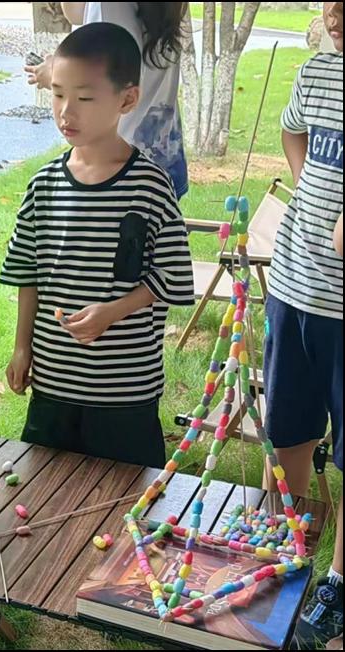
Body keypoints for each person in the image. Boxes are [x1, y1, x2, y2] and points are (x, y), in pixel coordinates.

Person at [0, 23, 193, 468]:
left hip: (125, 390)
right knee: (45, 484)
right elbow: (27, 272)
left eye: (84, 98)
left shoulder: (149, 186)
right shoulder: (43, 185)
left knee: (123, 493)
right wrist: (22, 347)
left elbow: (174, 276)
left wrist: (113, 311)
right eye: (57, 94)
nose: (66, 112)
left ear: (127, 99)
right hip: (54, 382)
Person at [266, 3, 343, 648]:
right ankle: (285, 556)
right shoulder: (318, 71)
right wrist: (304, 181)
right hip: (294, 285)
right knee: (288, 431)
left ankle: (339, 582)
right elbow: (294, 131)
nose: (336, 11)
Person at [26, 2, 189, 199]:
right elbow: (76, 14)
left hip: (117, 173)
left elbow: (101, 75)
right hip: (163, 159)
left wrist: (54, 75)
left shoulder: (107, 7)